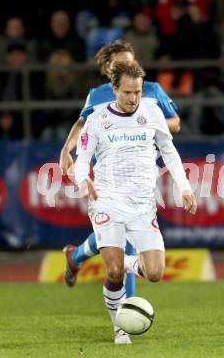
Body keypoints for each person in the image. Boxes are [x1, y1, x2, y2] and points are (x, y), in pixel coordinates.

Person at [74, 61, 197, 344]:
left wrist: (185, 187)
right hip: (107, 200)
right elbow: (82, 159)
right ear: (114, 88)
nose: (133, 99)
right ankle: (119, 327)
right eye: (127, 92)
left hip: (143, 204)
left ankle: (125, 261)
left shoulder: (152, 113)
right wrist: (83, 180)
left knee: (154, 273)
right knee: (114, 271)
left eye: (138, 92)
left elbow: (169, 151)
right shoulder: (97, 119)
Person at [59, 40, 181, 298]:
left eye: (130, 62)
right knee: (121, 241)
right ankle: (128, 308)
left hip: (142, 166)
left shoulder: (152, 90)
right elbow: (82, 125)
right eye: (120, 64)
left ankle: (76, 255)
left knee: (119, 238)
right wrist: (66, 150)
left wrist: (143, 124)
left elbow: (175, 123)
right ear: (107, 69)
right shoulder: (98, 94)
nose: (128, 67)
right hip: (110, 170)